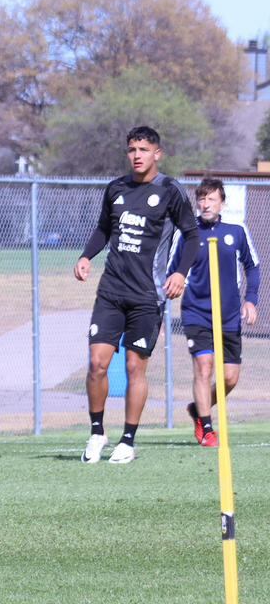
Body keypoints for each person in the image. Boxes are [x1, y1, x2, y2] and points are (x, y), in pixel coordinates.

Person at [74, 125, 199, 464]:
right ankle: (97, 432)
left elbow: (192, 235)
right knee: (97, 364)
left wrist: (179, 273)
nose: (137, 155)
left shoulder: (170, 191)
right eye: (132, 150)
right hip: (111, 291)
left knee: (134, 367)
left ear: (157, 153)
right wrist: (86, 256)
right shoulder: (115, 188)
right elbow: (103, 229)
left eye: (144, 150)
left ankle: (128, 440)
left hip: (148, 295)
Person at [166, 177, 260, 447]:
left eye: (211, 199)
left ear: (222, 202)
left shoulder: (237, 231)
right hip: (197, 313)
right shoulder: (186, 232)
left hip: (229, 315)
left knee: (230, 377)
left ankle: (199, 409)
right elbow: (174, 269)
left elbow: (252, 267)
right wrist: (175, 281)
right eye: (202, 199)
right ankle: (207, 428)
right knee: (204, 367)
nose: (205, 204)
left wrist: (250, 301)